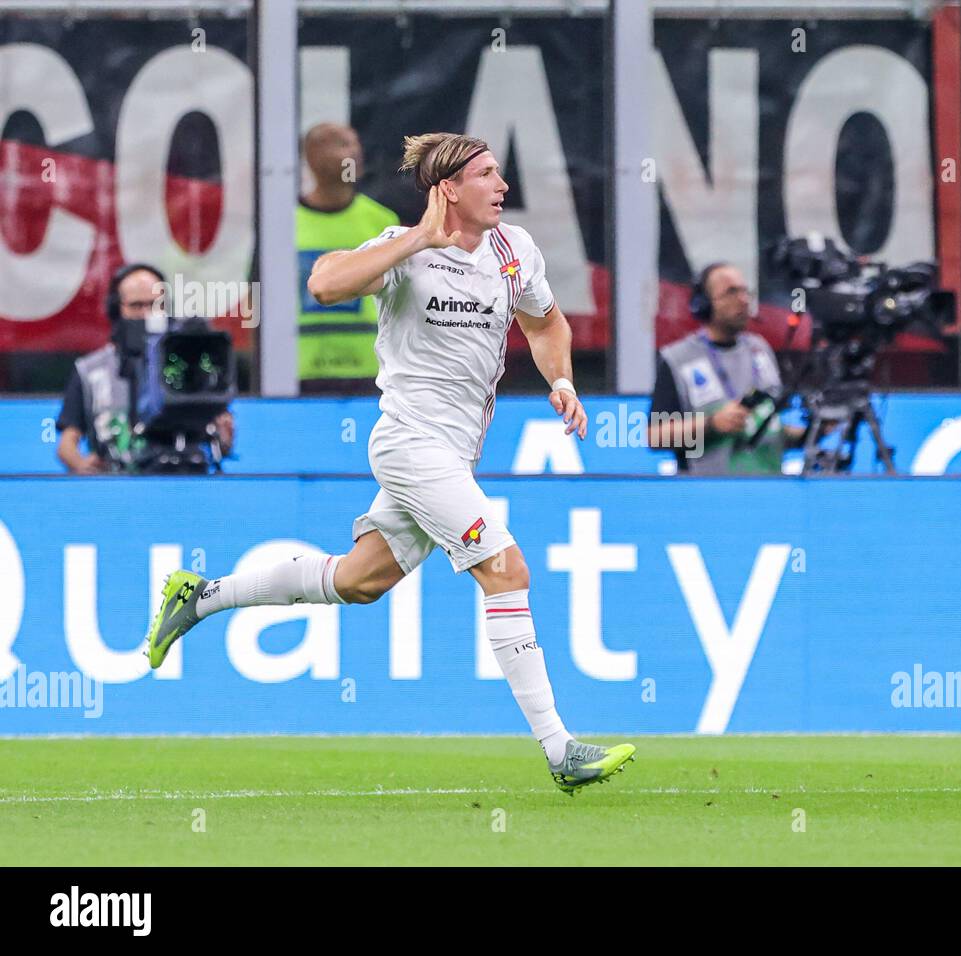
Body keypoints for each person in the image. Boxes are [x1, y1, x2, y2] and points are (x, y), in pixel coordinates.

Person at [144, 133, 635, 794]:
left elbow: (546, 325)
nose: (502, 186)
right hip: (410, 444)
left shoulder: (514, 252)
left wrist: (564, 383)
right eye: (487, 175)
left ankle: (200, 597)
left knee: (359, 581)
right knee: (505, 568)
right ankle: (559, 749)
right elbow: (322, 283)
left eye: (500, 174)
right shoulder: (401, 248)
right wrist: (415, 240)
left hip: (454, 455)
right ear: (448, 189)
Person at [55, 263, 234, 474]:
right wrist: (81, 465)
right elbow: (66, 445)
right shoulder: (90, 371)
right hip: (115, 489)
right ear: (116, 309)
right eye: (136, 306)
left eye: (154, 305)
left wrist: (224, 439)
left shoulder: (189, 364)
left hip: (184, 482)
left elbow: (219, 438)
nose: (146, 314)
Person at [648, 262, 795, 474]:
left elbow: (771, 430)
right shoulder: (679, 359)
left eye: (746, 291)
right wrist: (711, 424)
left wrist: (811, 432)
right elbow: (655, 436)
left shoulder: (760, 350)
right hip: (708, 495)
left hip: (769, 490)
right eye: (731, 292)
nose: (743, 300)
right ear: (703, 304)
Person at [297, 122, 401, 393]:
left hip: (371, 373)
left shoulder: (382, 220)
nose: (354, 151)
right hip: (298, 374)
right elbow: (256, 299)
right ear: (311, 155)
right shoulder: (281, 224)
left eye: (356, 143)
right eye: (341, 144)